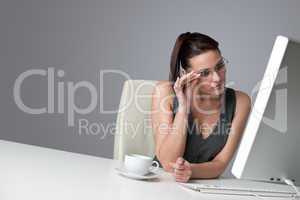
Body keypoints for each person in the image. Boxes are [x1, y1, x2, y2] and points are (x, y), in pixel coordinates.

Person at [151, 32, 251, 183]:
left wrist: (191, 170)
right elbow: (168, 163)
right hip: (161, 183)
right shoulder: (164, 92)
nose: (217, 78)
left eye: (220, 66)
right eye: (205, 73)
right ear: (186, 74)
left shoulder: (241, 102)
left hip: (203, 188)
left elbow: (220, 164)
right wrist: (184, 106)